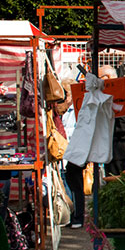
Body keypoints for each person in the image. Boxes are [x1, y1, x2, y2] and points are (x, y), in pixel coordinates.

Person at [98, 66, 125, 177]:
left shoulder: (121, 91)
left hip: (122, 150)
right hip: (114, 150)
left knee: (121, 183)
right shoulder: (111, 93)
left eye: (99, 78)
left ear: (107, 77)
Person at [56, 81, 86, 229]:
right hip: (66, 153)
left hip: (76, 152)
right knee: (67, 183)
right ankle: (70, 213)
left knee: (75, 185)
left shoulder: (77, 110)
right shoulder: (63, 111)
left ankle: (78, 216)